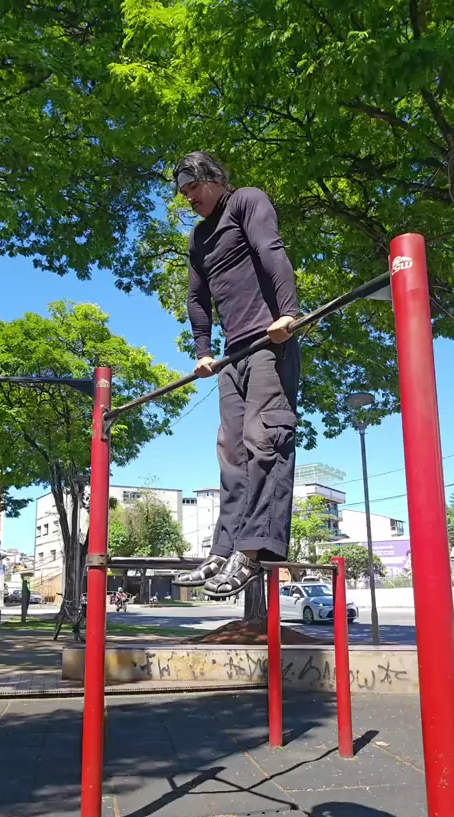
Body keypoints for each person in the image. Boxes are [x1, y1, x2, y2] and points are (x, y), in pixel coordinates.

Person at [174, 151, 300, 599]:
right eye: (183, 193)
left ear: (213, 178)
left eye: (193, 188)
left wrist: (288, 314)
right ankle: (224, 549)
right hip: (232, 356)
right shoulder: (198, 238)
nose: (189, 198)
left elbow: (270, 250)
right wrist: (203, 352)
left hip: (269, 340)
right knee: (230, 450)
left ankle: (255, 549)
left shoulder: (246, 200)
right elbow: (196, 298)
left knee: (264, 438)